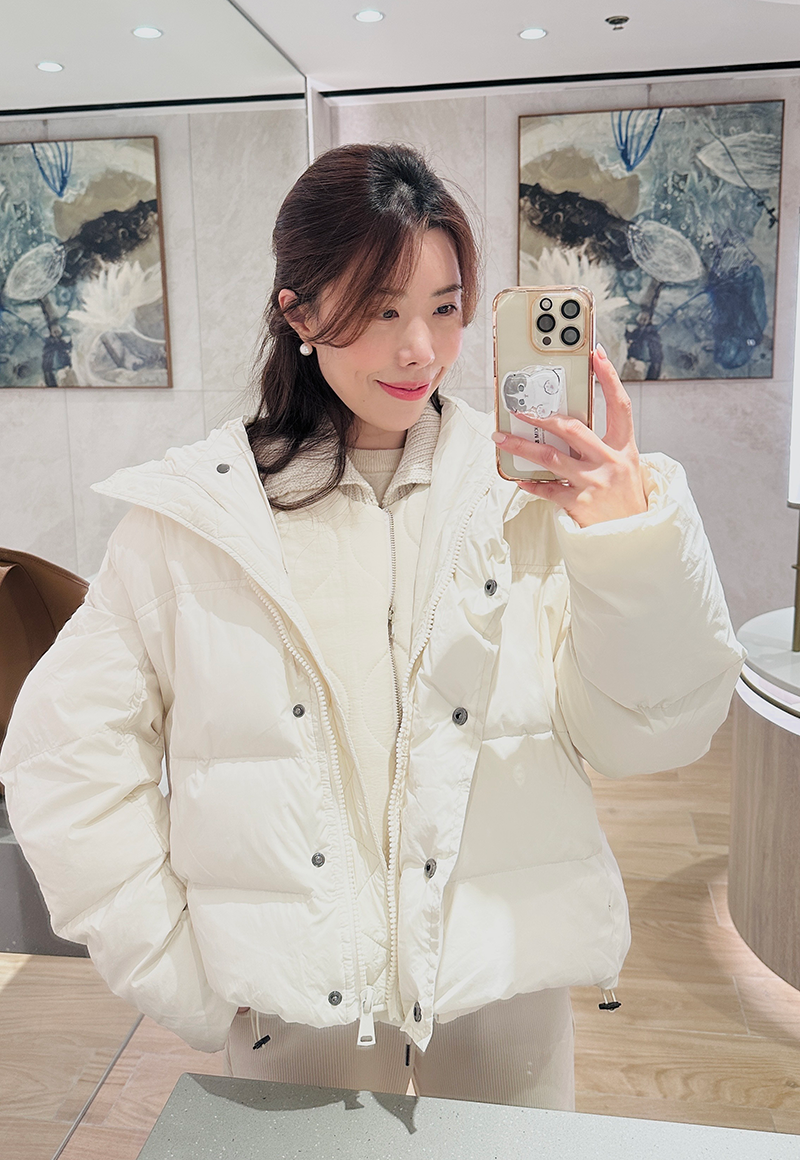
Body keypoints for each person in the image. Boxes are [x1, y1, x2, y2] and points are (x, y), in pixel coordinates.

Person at [0, 143, 745, 1112]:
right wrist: (184, 973)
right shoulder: (196, 523)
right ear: (300, 312)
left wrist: (625, 540)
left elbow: (653, 734)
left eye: (444, 307)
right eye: (382, 309)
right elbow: (63, 757)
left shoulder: (525, 503)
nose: (419, 350)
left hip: (502, 983)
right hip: (293, 1012)